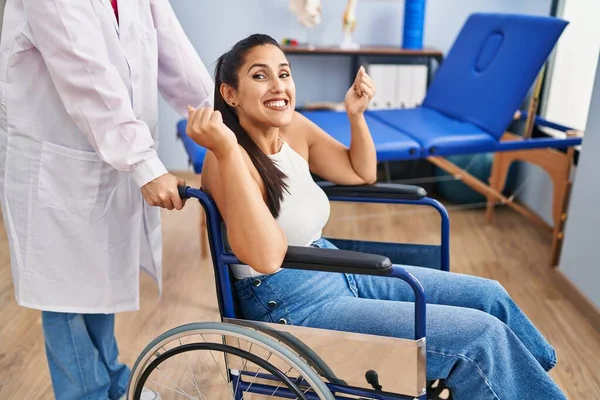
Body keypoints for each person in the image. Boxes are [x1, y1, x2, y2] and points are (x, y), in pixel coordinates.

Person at [185, 33, 567, 400]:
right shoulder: (226, 160)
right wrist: (228, 149)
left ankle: (528, 384)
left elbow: (360, 172)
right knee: (479, 337)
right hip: (291, 304)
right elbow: (266, 258)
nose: (278, 85)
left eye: (283, 73)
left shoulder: (294, 129)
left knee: (489, 297)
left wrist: (356, 114)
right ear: (229, 94)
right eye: (260, 75)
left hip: (334, 266)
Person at [0, 1, 214, 399]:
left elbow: (173, 51)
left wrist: (221, 114)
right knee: (65, 291)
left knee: (97, 279)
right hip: (58, 159)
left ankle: (113, 384)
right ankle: (87, 394)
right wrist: (144, 162)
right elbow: (85, 73)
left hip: (107, 153)